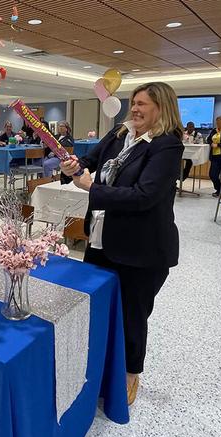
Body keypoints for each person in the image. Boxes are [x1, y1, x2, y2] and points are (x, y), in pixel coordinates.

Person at [60, 82, 184, 406]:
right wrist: (72, 166)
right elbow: (88, 160)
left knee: (131, 315)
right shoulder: (120, 134)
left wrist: (92, 188)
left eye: (143, 104)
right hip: (102, 240)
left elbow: (145, 196)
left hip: (142, 250)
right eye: (134, 102)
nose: (136, 109)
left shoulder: (167, 146)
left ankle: (130, 373)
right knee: (96, 304)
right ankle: (97, 364)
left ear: (162, 108)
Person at [179, 121, 202, 189]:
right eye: (189, 127)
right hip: (183, 153)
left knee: (189, 162)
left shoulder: (198, 135)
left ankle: (184, 176)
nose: (190, 128)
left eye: (192, 127)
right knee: (177, 162)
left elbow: (201, 144)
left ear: (194, 127)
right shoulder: (183, 134)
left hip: (193, 154)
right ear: (187, 127)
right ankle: (179, 176)